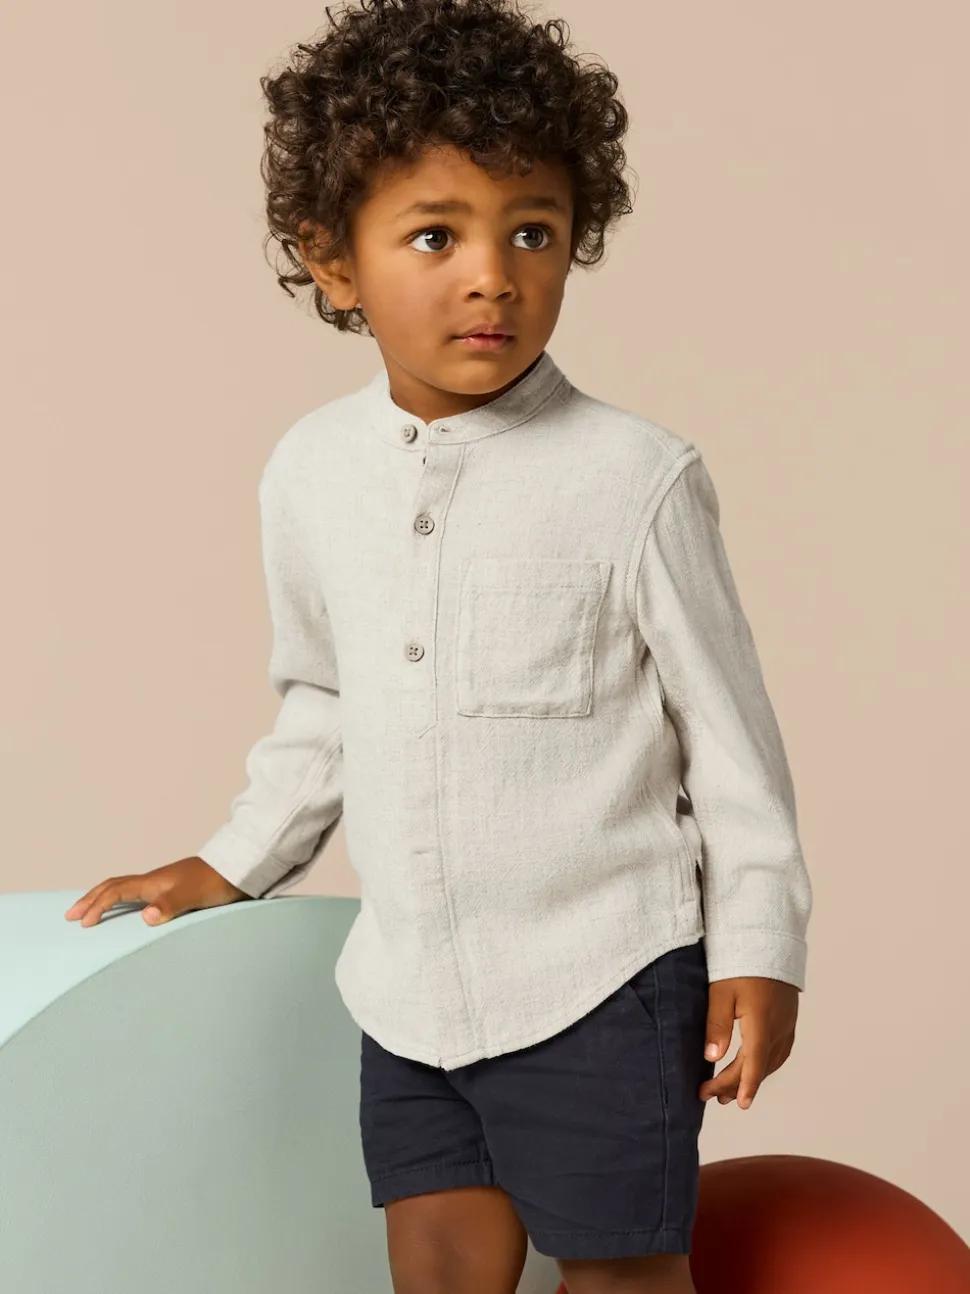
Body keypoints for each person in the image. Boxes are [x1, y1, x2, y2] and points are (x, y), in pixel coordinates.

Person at [65, 1, 813, 1290]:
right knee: (438, 1265)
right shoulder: (311, 473)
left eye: (534, 232)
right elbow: (322, 702)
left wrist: (761, 945)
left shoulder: (635, 477)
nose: (493, 276)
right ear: (333, 261)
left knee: (620, 1272)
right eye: (435, 234)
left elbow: (734, 744)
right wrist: (234, 862)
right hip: (407, 993)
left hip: (603, 978)